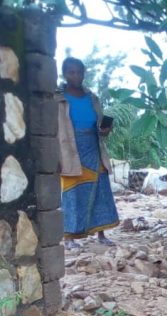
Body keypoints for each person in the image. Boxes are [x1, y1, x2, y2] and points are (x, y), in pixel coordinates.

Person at [56, 57, 119, 249]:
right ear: (64, 74)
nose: (76, 76)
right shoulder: (58, 98)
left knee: (100, 190)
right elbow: (54, 129)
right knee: (72, 192)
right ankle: (68, 237)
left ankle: (101, 234)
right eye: (71, 72)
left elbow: (99, 124)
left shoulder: (93, 98)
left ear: (84, 73)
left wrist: (104, 130)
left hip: (93, 147)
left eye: (80, 72)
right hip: (70, 150)